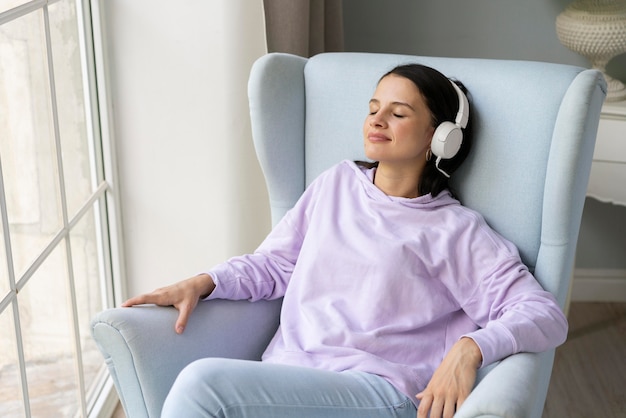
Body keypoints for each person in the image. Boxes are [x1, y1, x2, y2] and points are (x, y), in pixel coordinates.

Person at [123, 63, 568, 418]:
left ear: (441, 137)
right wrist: (205, 281)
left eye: (398, 112)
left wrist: (470, 349)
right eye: (374, 107)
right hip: (290, 377)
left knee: (203, 386)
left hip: (378, 393)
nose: (377, 119)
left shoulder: (455, 229)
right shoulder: (336, 183)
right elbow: (277, 264)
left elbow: (543, 313)